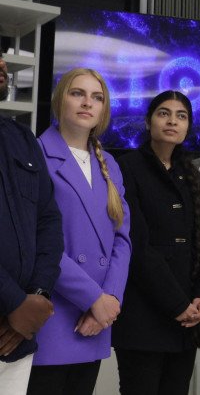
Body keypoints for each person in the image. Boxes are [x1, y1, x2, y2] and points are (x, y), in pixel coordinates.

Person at [30, 68, 131, 395]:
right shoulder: (34, 155)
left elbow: (122, 239)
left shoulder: (110, 164)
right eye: (78, 93)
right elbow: (34, 240)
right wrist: (92, 298)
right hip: (52, 312)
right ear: (61, 99)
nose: (87, 102)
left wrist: (110, 300)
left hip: (99, 317)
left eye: (97, 97)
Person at [112, 91, 200, 395]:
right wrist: (178, 303)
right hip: (144, 313)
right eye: (163, 113)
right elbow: (137, 245)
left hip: (187, 317)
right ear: (148, 121)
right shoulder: (126, 167)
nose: (172, 121)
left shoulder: (191, 172)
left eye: (181, 116)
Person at [0, 58, 62, 395]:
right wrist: (14, 302)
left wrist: (36, 298)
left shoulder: (22, 137)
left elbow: (48, 219)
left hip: (18, 337)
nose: (2, 63)